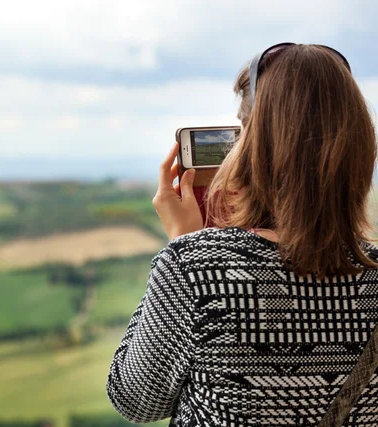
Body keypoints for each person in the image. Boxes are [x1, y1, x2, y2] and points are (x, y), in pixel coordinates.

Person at [106, 43, 378, 426]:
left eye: (243, 126)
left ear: (255, 145)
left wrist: (186, 245)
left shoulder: (194, 269)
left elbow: (135, 401)